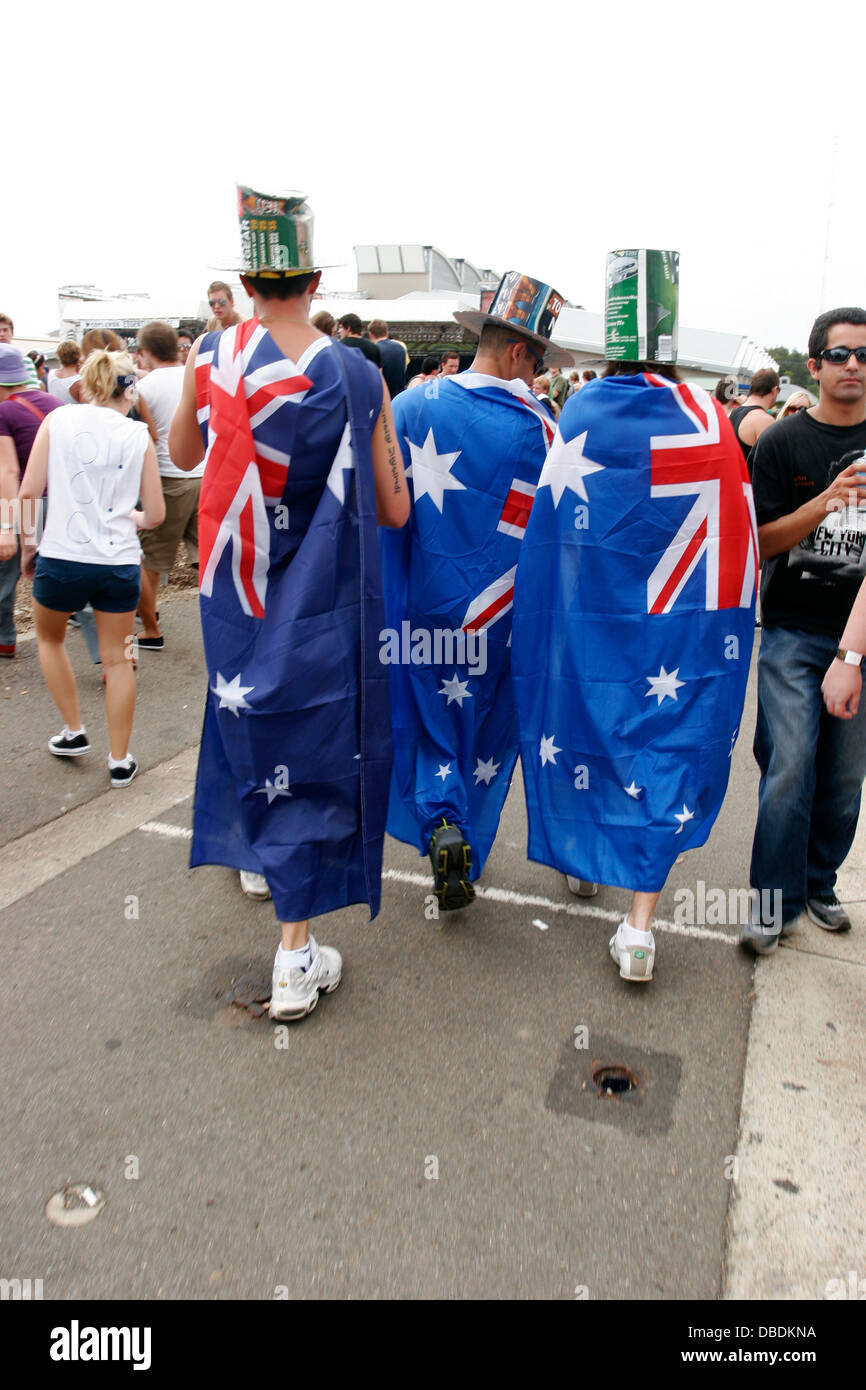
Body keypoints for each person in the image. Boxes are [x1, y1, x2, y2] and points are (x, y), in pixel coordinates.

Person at [168, 188, 408, 1023]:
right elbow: (395, 508)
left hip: (236, 586)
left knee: (244, 721)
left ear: (248, 276)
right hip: (321, 600)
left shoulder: (216, 353)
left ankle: (255, 856)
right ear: (313, 277)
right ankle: (295, 955)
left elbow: (185, 453)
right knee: (313, 744)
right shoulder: (356, 373)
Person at [513, 351, 758, 983]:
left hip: (600, 619)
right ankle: (641, 930)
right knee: (668, 754)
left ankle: (588, 860)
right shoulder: (706, 412)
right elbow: (738, 535)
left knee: (592, 732)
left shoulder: (588, 408)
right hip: (684, 624)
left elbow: (559, 529)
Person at [380, 270, 568, 910]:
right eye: (538, 360)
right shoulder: (544, 432)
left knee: (429, 723)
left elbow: (384, 510)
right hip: (500, 620)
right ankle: (468, 835)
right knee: (485, 733)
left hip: (422, 608)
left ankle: (441, 820)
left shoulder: (410, 406)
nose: (538, 375)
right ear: (519, 350)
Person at [739, 308, 866, 953]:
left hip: (860, 641)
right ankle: (770, 902)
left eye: (864, 356)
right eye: (841, 355)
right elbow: (758, 542)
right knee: (788, 765)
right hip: (791, 630)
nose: (854, 367)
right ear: (812, 366)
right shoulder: (782, 444)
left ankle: (818, 882)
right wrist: (826, 502)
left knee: (845, 780)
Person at [16, 349, 164, 784]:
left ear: (85, 384)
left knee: (49, 638)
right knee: (120, 659)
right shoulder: (138, 436)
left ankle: (74, 730)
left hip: (61, 555)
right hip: (118, 563)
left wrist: (28, 545)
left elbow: (27, 493)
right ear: (129, 390)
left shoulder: (57, 421)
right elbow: (153, 515)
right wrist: (131, 518)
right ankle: (120, 760)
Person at [133, 321, 198, 649]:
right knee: (211, 558)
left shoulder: (144, 387)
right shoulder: (195, 374)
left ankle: (150, 630)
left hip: (167, 478)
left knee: (150, 562)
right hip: (204, 475)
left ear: (145, 353)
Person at [0, 345, 61, 658]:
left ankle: (5, 639)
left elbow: (9, 471)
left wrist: (6, 526)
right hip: (62, 502)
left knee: (8, 574)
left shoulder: (3, 411)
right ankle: (107, 651)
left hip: (29, 503)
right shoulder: (54, 402)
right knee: (60, 568)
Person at [729, 367, 780, 466]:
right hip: (751, 480)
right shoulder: (765, 421)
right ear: (774, 390)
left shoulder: (734, 413)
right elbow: (773, 465)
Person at [367, 318, 406, 399]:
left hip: (382, 398)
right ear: (386, 333)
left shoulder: (373, 350)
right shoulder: (401, 348)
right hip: (399, 397)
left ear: (370, 334)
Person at [0, 313, 40, 389]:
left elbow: (33, 389)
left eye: (5, 330)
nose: (2, 334)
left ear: (12, 333)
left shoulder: (25, 361)